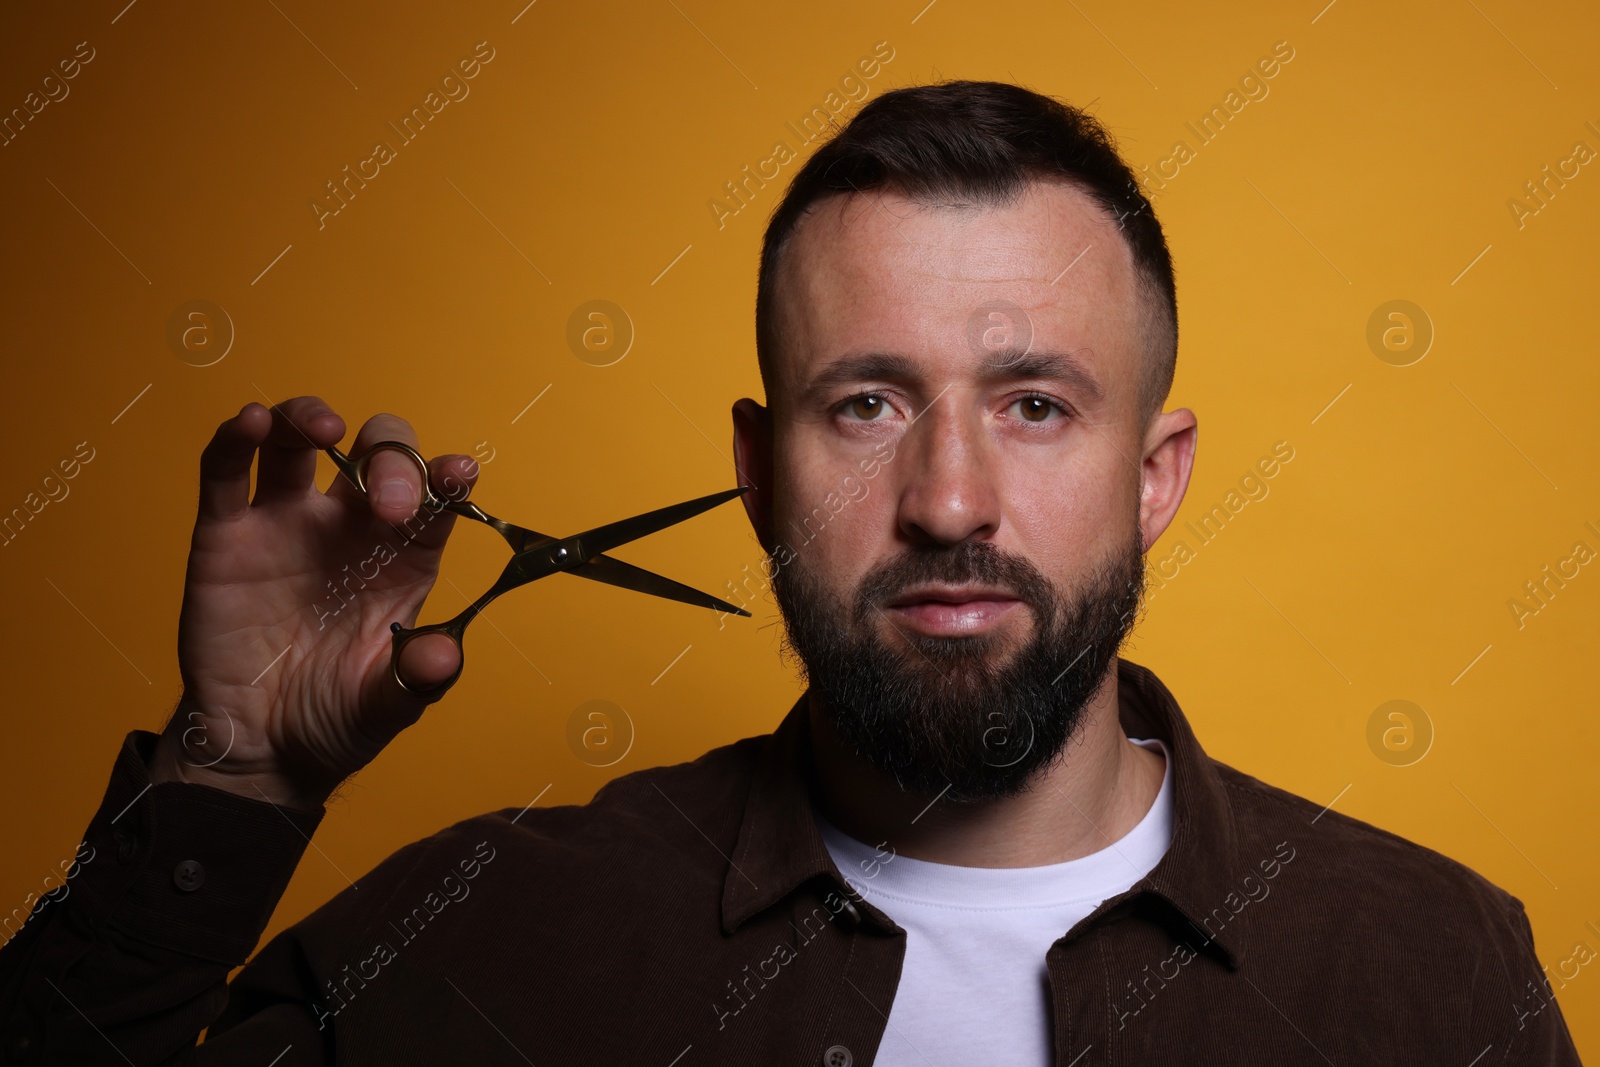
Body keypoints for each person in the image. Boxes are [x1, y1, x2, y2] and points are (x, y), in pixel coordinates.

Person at [0, 80, 1580, 1066]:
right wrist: (236, 782)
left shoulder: (1429, 972)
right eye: (868, 404)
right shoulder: (483, 944)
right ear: (758, 476)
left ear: (1152, 477)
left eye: (1035, 404)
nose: (949, 497)